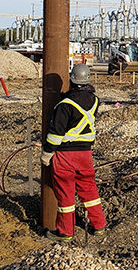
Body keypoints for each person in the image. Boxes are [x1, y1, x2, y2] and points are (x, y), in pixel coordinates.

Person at [41, 63, 106, 241]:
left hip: (66, 155)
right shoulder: (95, 101)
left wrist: (47, 153)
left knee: (65, 193)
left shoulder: (64, 105)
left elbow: (56, 133)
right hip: (85, 154)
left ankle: (65, 232)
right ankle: (99, 225)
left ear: (72, 80)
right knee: (89, 189)